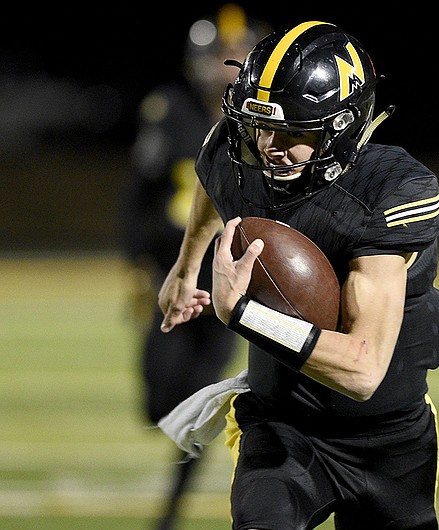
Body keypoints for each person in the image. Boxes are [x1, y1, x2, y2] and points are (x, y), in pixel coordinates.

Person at [156, 21, 439, 529]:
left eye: (294, 132)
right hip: (281, 425)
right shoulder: (239, 149)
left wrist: (245, 314)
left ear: (343, 125)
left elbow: (362, 371)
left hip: (389, 439)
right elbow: (215, 174)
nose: (270, 145)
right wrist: (185, 268)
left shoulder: (390, 189)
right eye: (262, 126)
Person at [119, 5, 264, 529]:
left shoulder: (262, 121)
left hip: (227, 280)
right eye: (217, 55)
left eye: (236, 54)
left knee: (203, 404)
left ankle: (169, 515)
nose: (225, 64)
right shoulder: (171, 112)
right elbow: (138, 196)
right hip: (174, 276)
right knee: (159, 402)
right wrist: (137, 266)